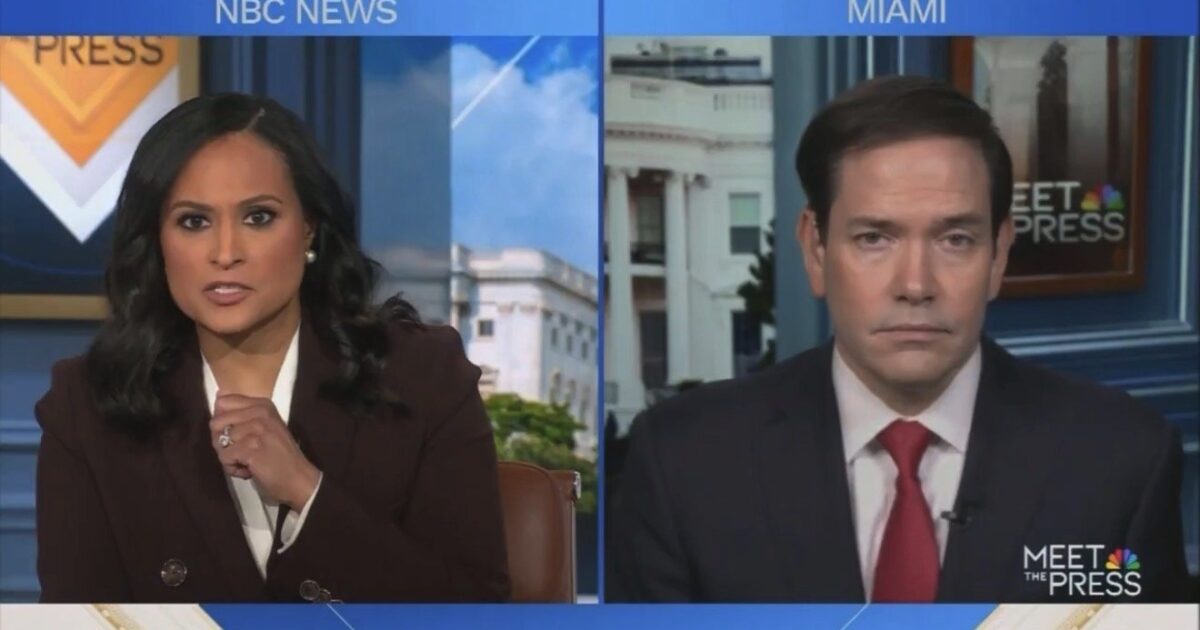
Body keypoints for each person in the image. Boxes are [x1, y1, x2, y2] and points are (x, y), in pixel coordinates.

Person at [607, 76, 1188, 603]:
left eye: (955, 239)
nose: (915, 285)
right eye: (874, 239)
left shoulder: (1121, 463)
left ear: (998, 255)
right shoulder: (684, 464)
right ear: (815, 250)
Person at [34, 93, 510, 603]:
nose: (225, 253)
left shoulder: (423, 378)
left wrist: (307, 491)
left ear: (309, 228)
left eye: (258, 217)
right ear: (157, 240)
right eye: (194, 221)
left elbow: (475, 608)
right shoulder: (88, 403)